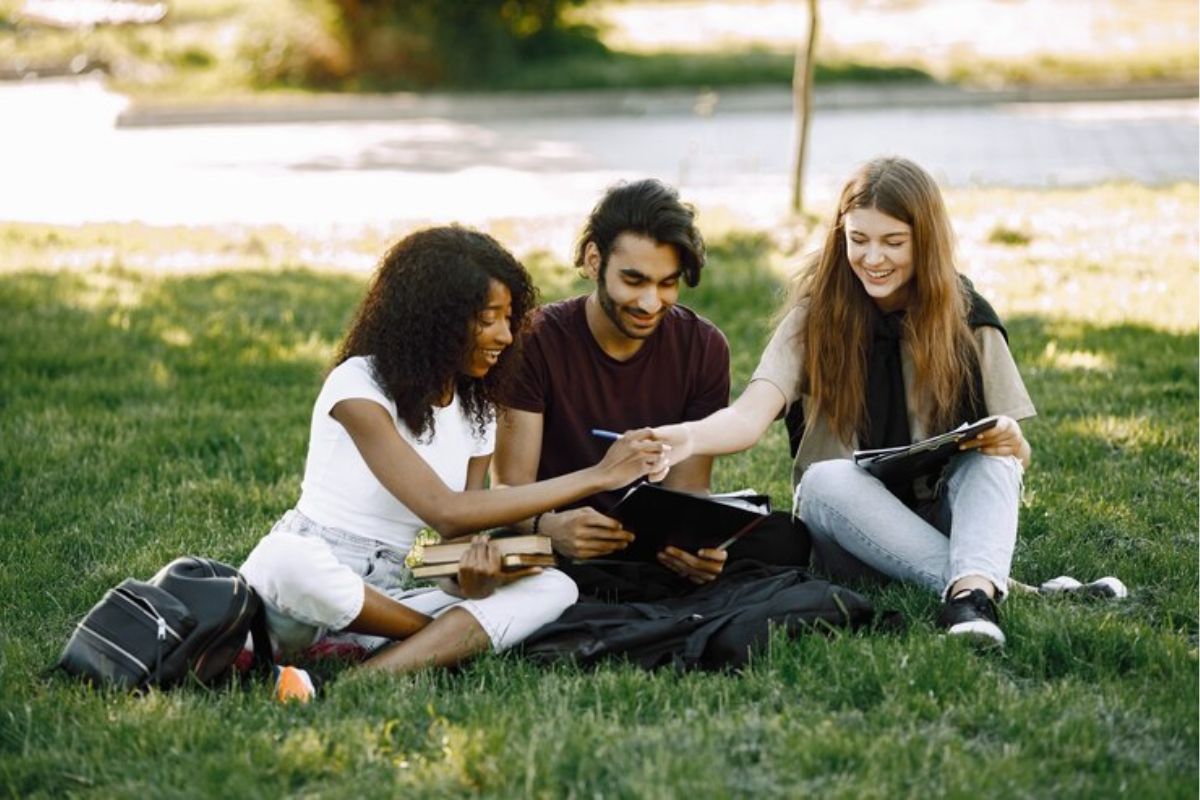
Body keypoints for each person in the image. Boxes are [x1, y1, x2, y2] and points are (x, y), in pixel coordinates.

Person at [239, 226, 666, 700]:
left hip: (384, 597)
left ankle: (355, 679)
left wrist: (474, 578)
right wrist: (598, 475)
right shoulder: (357, 385)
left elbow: (451, 549)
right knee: (287, 560)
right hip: (297, 594)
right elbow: (444, 509)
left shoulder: (474, 413)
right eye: (489, 319)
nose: (506, 335)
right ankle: (430, 642)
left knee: (555, 587)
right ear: (436, 320)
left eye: (509, 317)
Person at [651, 157, 1036, 645]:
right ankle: (987, 585)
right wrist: (681, 437)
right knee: (826, 476)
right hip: (842, 526)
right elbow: (748, 418)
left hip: (935, 513)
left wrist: (1013, 441)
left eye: (893, 242)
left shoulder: (968, 319)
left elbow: (1016, 464)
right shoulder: (815, 318)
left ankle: (970, 596)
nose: (873, 258)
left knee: (993, 458)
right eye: (858, 240)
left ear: (927, 241)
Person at [493, 179, 809, 595]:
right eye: (634, 280)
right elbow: (509, 489)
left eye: (667, 283)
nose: (650, 302)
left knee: (786, 538)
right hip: (560, 535)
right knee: (506, 553)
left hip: (646, 544)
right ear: (593, 260)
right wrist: (549, 526)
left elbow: (689, 489)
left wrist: (694, 547)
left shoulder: (703, 346)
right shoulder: (535, 340)